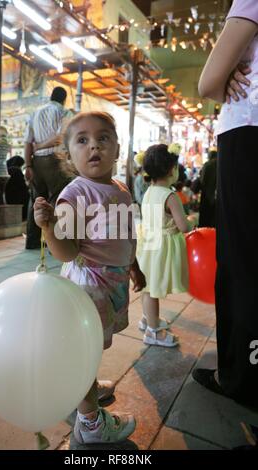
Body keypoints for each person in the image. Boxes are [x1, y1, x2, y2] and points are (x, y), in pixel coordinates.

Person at [33, 111, 146, 444]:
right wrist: (49, 227)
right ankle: (91, 423)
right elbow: (66, 252)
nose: (94, 145)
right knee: (84, 349)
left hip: (112, 282)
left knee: (91, 346)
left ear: (117, 147)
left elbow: (126, 234)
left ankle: (85, 386)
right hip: (88, 286)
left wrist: (134, 265)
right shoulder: (76, 195)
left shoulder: (120, 189)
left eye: (103, 138)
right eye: (82, 140)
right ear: (69, 155)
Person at [192, 0, 258, 407]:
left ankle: (243, 378)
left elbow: (208, 83)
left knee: (245, 261)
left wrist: (225, 76)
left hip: (250, 131)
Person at [136, 144, 197, 348]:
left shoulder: (149, 191)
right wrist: (192, 220)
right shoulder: (170, 196)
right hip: (162, 248)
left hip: (148, 244)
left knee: (147, 285)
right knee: (154, 288)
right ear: (172, 170)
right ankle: (154, 332)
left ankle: (147, 319)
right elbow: (183, 226)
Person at [24, 86, 73, 249]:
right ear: (63, 99)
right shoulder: (63, 112)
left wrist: (28, 165)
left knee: (36, 201)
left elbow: (27, 142)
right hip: (55, 160)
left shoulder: (35, 112)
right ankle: (56, 244)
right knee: (58, 199)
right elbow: (60, 137)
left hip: (36, 162)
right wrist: (40, 146)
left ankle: (32, 241)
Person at [5, 156, 29, 221]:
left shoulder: (6, 170)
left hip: (8, 198)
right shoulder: (16, 171)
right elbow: (23, 187)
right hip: (18, 199)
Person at [198, 149, 217, 228]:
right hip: (216, 194)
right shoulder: (220, 164)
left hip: (206, 194)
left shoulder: (207, 165)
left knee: (205, 216)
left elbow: (202, 180)